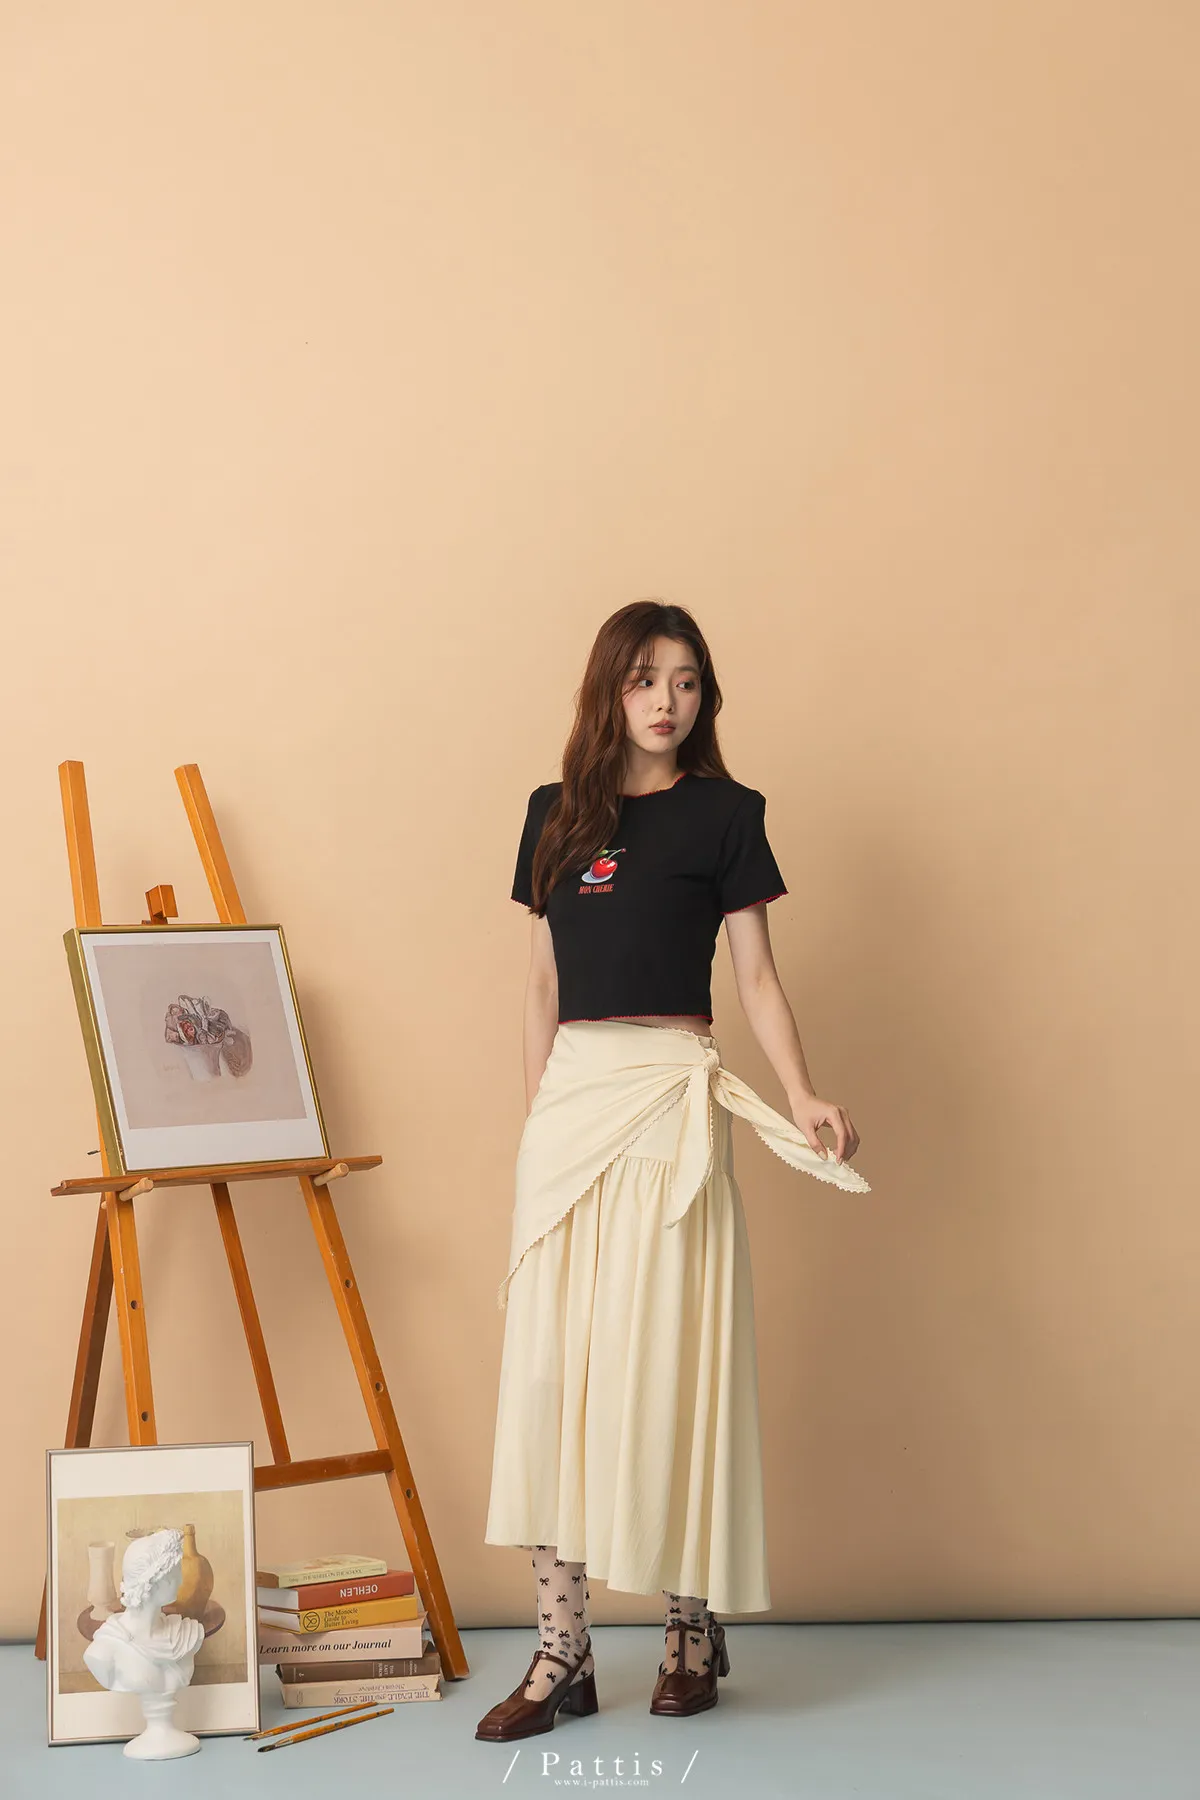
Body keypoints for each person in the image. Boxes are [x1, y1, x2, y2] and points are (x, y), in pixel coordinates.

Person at [476, 600, 867, 1742]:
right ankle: (562, 1649)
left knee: (667, 1366)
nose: (667, 700)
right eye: (646, 679)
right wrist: (541, 1121)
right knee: (551, 1377)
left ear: (705, 698)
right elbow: (541, 984)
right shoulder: (553, 815)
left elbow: (755, 978)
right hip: (572, 1108)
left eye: (687, 681)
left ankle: (690, 1629)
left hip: (670, 1100)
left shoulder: (727, 815)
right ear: (610, 689)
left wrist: (802, 1093)